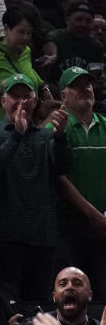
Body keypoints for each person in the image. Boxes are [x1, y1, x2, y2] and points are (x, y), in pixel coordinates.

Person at [0, 74, 71, 300]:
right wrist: (17, 136)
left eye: (27, 96)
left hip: (41, 237)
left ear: (35, 101)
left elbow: (63, 167)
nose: (21, 102)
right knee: (7, 303)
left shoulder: (46, 136)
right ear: (3, 101)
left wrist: (60, 138)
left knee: (38, 305)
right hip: (4, 238)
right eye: (15, 96)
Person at [55, 67, 106, 292]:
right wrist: (92, 214)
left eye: (87, 84)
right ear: (63, 96)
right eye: (76, 85)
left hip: (104, 223)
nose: (85, 88)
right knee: (75, 292)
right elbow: (59, 179)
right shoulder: (55, 130)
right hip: (69, 226)